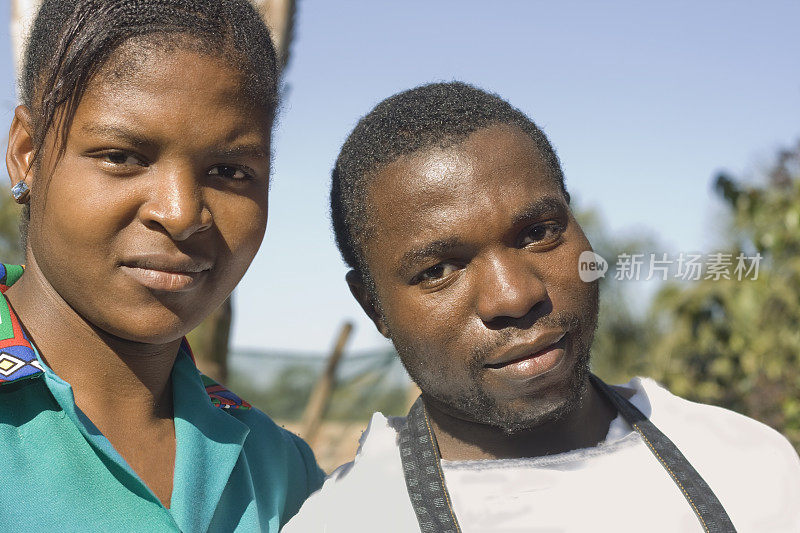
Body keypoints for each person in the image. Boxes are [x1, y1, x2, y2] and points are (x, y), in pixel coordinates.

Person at [284, 82, 800, 532]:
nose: (514, 296)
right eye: (438, 270)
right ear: (374, 307)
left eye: (539, 233)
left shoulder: (748, 465)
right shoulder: (352, 521)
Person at [0, 1, 323, 531]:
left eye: (228, 169)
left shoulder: (280, 472)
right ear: (27, 152)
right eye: (123, 156)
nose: (180, 214)